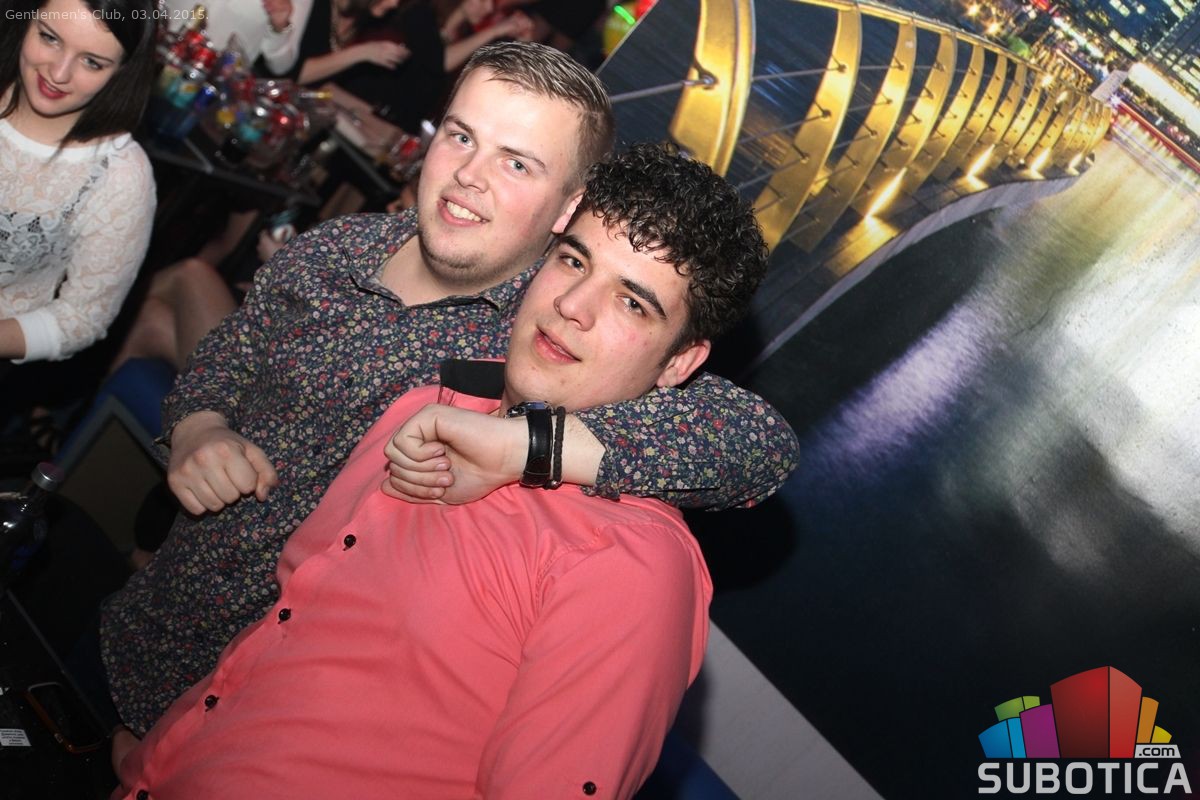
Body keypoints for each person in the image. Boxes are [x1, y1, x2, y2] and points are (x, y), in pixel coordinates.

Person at [98, 41, 798, 739]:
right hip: (135, 626)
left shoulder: (547, 330)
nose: (468, 175)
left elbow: (753, 444)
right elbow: (235, 349)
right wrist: (199, 426)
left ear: (570, 206)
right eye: (462, 136)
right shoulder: (339, 248)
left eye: (516, 163)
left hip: (241, 724)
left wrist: (523, 444)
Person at [0, 0, 156, 364]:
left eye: (92, 62)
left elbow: (82, 319)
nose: (58, 73)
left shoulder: (118, 175)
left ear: (122, 71)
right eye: (49, 38)